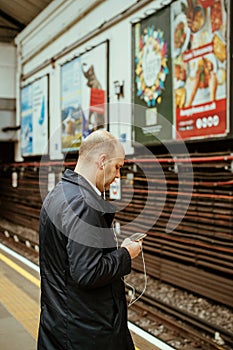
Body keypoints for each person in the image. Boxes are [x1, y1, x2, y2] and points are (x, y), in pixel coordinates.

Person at [37, 129, 142, 350]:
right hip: (87, 333)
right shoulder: (85, 204)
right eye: (118, 167)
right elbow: (87, 273)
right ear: (102, 161)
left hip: (60, 324)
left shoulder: (57, 194)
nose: (118, 176)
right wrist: (125, 254)